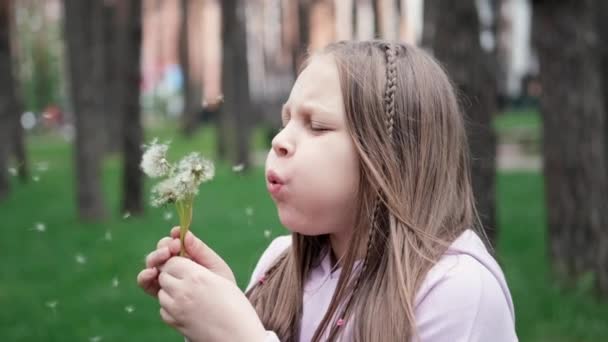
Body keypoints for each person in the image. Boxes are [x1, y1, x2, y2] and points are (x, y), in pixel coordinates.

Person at [137, 40, 518, 342]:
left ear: (392, 156)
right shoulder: (279, 265)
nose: (280, 140)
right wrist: (220, 316)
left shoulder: (456, 292)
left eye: (316, 125)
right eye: (286, 121)